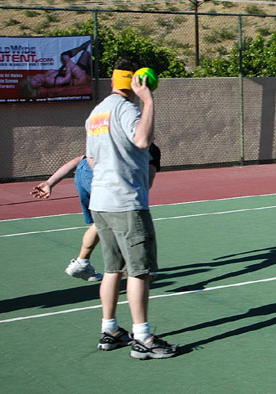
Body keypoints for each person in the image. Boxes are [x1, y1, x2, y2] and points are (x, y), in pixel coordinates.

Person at [86, 58, 177, 359]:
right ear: (138, 81)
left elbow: (90, 161)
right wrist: (148, 101)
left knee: (112, 269)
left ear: (113, 81)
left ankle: (109, 329)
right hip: (125, 201)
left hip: (100, 201)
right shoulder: (128, 108)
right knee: (139, 271)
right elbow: (141, 140)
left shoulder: (96, 113)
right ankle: (143, 338)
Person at [30, 144, 162, 282]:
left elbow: (77, 161)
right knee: (116, 219)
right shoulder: (149, 148)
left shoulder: (114, 140)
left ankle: (82, 263)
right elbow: (147, 182)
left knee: (101, 222)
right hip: (97, 175)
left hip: (83, 173)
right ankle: (136, 266)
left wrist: (50, 182)